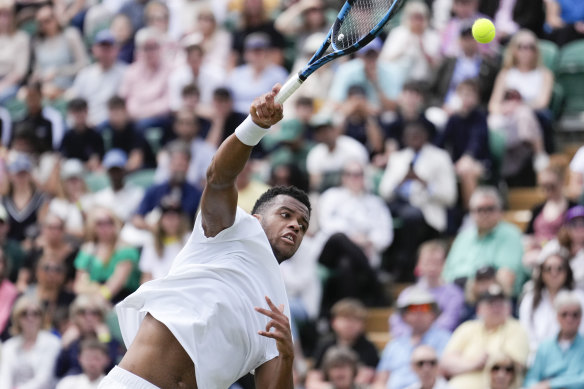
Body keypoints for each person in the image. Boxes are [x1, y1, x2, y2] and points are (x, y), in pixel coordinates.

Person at [98, 85, 311, 388]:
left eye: (302, 226)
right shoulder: (232, 230)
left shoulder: (278, 309)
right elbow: (219, 177)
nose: (295, 227)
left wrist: (288, 357)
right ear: (255, 218)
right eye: (286, 215)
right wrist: (255, 127)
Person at [379, 120, 457, 281]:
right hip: (399, 205)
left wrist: (423, 183)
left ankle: (406, 266)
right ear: (404, 138)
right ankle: (390, 265)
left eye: (417, 135)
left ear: (425, 136)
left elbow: (450, 196)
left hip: (428, 210)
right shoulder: (397, 158)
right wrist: (401, 182)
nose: (414, 138)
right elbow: (384, 191)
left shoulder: (440, 157)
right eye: (410, 136)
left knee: (411, 216)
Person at [440, 284, 529, 389]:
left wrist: (462, 364)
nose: (496, 308)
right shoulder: (467, 328)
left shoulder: (516, 328)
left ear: (508, 309)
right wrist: (474, 364)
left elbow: (512, 364)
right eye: (491, 304)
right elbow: (446, 363)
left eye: (500, 304)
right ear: (479, 309)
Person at [442, 187, 525, 298]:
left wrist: (472, 287)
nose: (484, 214)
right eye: (479, 209)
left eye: (490, 209)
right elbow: (446, 275)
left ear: (500, 211)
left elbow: (506, 278)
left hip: (492, 299)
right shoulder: (463, 237)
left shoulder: (510, 235)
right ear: (471, 213)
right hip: (457, 297)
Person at [373, 289, 451, 389]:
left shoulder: (446, 339)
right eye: (413, 309)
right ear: (404, 316)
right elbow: (381, 380)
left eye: (424, 308)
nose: (419, 312)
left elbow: (445, 374)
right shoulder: (394, 344)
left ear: (433, 314)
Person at [519, 248, 584, 362]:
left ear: (567, 271)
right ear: (541, 272)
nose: (554, 273)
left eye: (559, 268)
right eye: (548, 269)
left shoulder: (579, 297)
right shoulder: (530, 299)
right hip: (537, 356)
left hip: (574, 355)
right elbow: (525, 333)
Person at [436, 79, 492, 210]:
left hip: (480, 162)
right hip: (457, 163)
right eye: (463, 94)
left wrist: (468, 157)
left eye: (470, 94)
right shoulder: (453, 119)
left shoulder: (480, 116)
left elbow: (477, 141)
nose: (467, 98)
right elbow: (440, 142)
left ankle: (472, 213)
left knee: (467, 171)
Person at [390, 240, 465, 336]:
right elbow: (396, 321)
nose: (432, 267)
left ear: (444, 264)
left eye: (437, 262)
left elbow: (448, 323)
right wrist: (411, 337)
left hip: (440, 343)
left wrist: (422, 335)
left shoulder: (454, 294)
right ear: (418, 264)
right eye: (428, 262)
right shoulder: (408, 293)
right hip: (409, 341)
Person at [74, 207, 141, 303]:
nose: (104, 227)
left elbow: (115, 285)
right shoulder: (87, 250)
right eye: (99, 223)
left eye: (109, 222)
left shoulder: (126, 250)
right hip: (90, 300)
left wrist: (96, 296)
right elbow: (78, 286)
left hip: (120, 299)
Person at [309, 299, 380, 387]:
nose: (350, 324)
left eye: (355, 319)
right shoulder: (325, 345)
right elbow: (313, 378)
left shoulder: (368, 348)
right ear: (333, 322)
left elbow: (368, 377)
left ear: (363, 324)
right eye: (345, 318)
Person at [524, 290, 584, 388]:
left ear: (580, 318)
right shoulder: (544, 347)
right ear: (557, 316)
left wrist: (551, 384)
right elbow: (531, 379)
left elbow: (582, 380)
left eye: (575, 315)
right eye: (564, 314)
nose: (569, 319)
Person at [68, 29, 127, 126]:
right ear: (94, 49)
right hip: (87, 124)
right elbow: (76, 102)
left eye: (109, 47)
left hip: (113, 124)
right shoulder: (84, 75)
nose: (105, 52)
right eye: (102, 47)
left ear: (116, 50)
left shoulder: (125, 72)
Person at [0, 295, 61, 389]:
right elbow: (4, 377)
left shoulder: (52, 342)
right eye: (24, 314)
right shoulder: (9, 346)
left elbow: (44, 380)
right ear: (17, 318)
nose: (30, 318)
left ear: (42, 317)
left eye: (35, 313)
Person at [57, 293, 122, 378]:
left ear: (101, 316)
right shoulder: (72, 339)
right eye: (82, 312)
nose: (89, 317)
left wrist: (105, 340)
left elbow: (113, 369)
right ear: (75, 316)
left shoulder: (108, 338)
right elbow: (58, 372)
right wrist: (64, 346)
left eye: (95, 313)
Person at [523, 166, 576, 270]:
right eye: (544, 186)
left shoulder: (572, 208)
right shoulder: (537, 209)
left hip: (562, 252)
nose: (548, 190)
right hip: (536, 254)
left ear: (561, 182)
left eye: (552, 186)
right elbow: (528, 234)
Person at [31, 4, 89, 98]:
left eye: (47, 20)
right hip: (44, 87)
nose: (44, 25)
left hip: (69, 87)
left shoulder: (71, 36)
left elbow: (84, 64)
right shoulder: (38, 43)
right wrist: (37, 76)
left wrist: (58, 72)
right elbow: (37, 69)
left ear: (56, 18)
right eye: (40, 23)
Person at [379, 1, 441, 86]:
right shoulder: (398, 33)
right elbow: (384, 60)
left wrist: (423, 48)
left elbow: (436, 65)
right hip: (399, 82)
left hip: (424, 83)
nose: (418, 22)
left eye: (420, 18)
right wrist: (403, 48)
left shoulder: (433, 36)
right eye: (415, 18)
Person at [138, 199, 190, 283]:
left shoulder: (189, 239)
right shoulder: (151, 242)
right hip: (158, 288)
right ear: (160, 220)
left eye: (174, 217)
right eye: (167, 217)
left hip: (182, 285)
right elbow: (146, 276)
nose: (171, 221)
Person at [539, 205, 584, 289]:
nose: (579, 228)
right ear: (566, 227)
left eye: (583, 224)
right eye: (574, 224)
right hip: (551, 290)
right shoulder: (554, 246)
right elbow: (540, 269)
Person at [59, 98, 105, 171]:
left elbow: (96, 160)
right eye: (76, 111)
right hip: (71, 172)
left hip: (90, 171)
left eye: (81, 110)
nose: (79, 114)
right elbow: (61, 157)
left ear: (87, 111)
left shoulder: (95, 135)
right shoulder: (67, 136)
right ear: (70, 113)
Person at [0, 0, 30, 104]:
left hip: (11, 83)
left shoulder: (21, 38)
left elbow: (20, 71)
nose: (2, 18)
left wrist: (2, 85)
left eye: (6, 14)